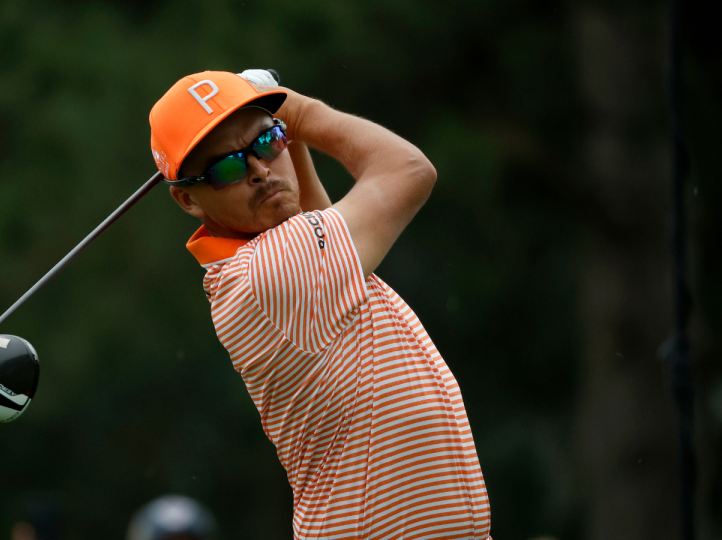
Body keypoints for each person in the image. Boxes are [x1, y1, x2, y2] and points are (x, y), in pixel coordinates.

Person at [149, 70, 491, 539]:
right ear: (188, 199)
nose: (259, 170)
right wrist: (297, 110)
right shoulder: (270, 271)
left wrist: (290, 133)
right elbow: (410, 170)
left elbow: (304, 214)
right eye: (227, 168)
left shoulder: (285, 257)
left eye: (266, 143)